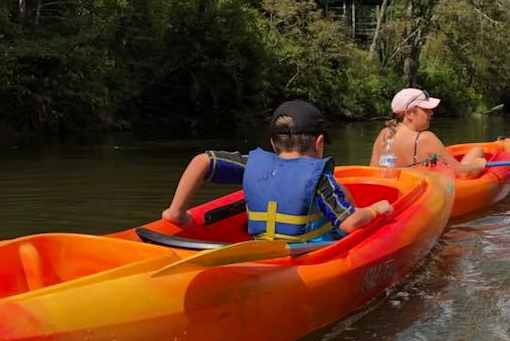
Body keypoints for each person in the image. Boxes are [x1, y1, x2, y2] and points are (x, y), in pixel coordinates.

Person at [162, 100, 392, 241]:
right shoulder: (320, 177)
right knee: (347, 207)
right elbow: (350, 223)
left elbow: (202, 161)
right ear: (319, 143)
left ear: (273, 143)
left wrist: (177, 212)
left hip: (263, 251)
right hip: (309, 257)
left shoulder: (251, 164)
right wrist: (374, 210)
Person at [368, 88, 487, 178]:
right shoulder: (425, 139)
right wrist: (480, 164)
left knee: (476, 150)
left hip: (395, 193)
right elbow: (463, 173)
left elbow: (372, 172)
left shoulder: (384, 134)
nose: (431, 113)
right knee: (478, 151)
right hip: (422, 198)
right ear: (410, 113)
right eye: (426, 109)